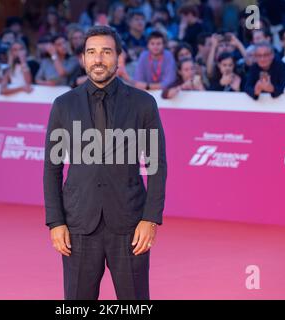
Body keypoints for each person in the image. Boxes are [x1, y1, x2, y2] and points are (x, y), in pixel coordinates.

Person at [44, 25, 167, 300]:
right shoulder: (63, 105)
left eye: (106, 52)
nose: (98, 59)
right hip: (78, 225)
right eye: (91, 52)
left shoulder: (143, 103)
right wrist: (55, 222)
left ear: (119, 57)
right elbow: (52, 168)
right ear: (83, 58)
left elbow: (157, 165)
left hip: (130, 225)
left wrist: (150, 219)